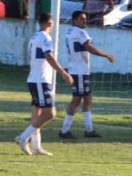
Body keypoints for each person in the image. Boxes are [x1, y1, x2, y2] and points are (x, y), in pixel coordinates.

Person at [14, 13, 73, 156]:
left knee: (37, 113)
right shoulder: (45, 37)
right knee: (50, 113)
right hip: (40, 80)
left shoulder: (34, 37)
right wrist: (63, 73)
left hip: (34, 79)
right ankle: (23, 137)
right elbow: (49, 56)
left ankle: (36, 147)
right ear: (50, 23)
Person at [58, 11, 116, 140]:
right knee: (77, 100)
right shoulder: (80, 33)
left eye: (85, 19)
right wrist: (106, 55)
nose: (84, 21)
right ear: (74, 20)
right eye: (81, 19)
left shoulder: (70, 32)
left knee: (87, 99)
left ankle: (87, 130)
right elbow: (89, 47)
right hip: (79, 71)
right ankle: (66, 130)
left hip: (78, 70)